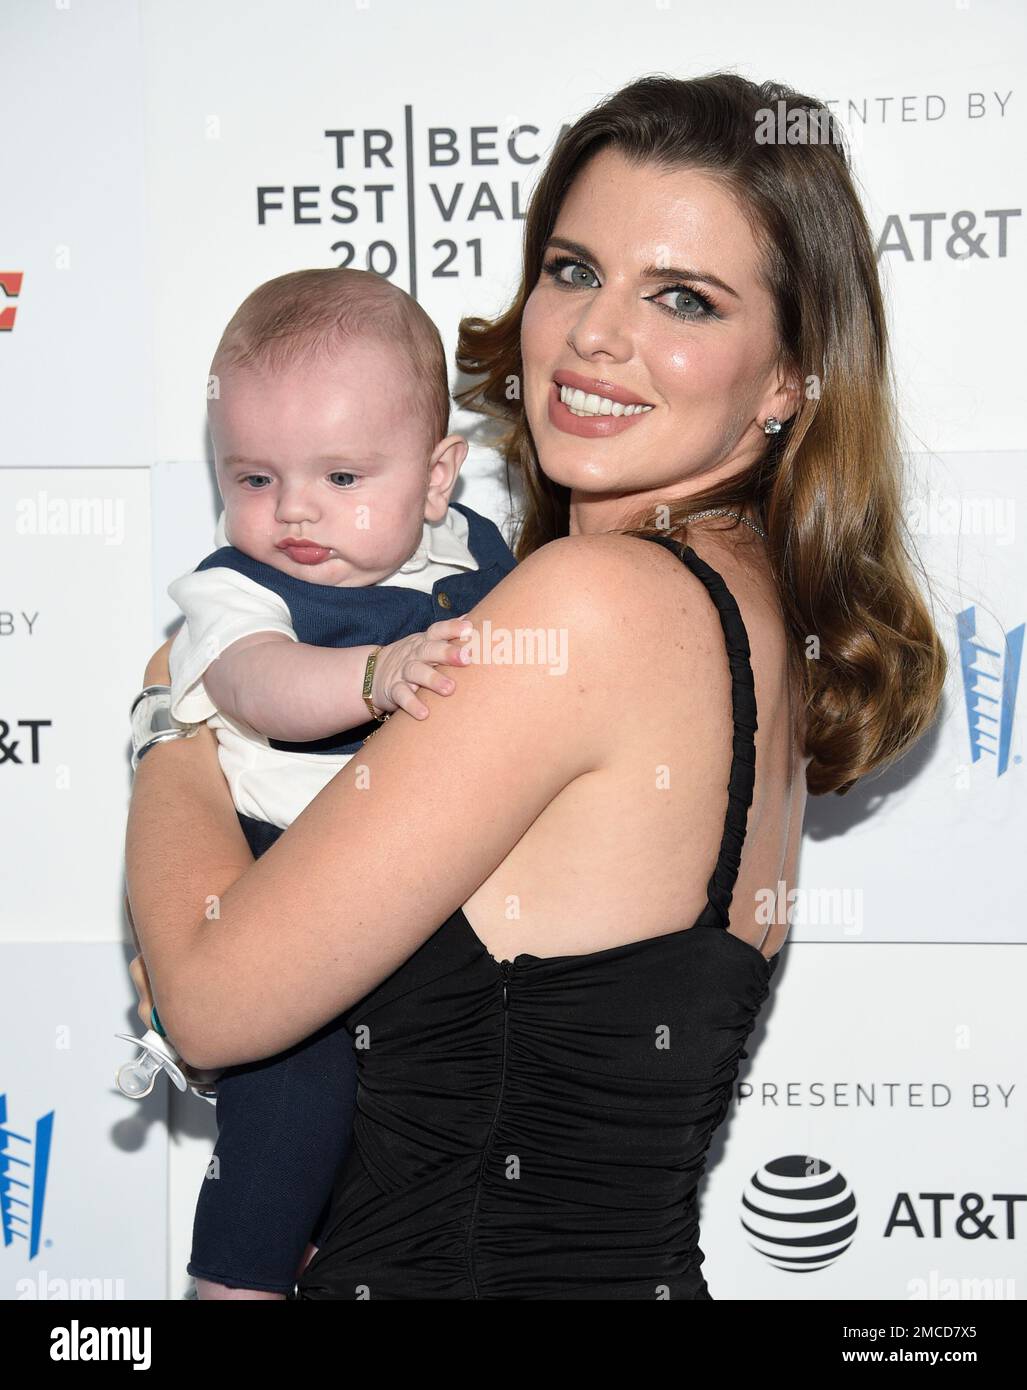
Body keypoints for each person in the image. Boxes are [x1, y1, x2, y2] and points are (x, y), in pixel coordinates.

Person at [125, 72, 948, 1299]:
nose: (594, 333)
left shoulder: (586, 605)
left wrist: (175, 719)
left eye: (682, 297)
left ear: (788, 378)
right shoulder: (747, 613)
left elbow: (207, 994)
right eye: (572, 270)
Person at [137, 268, 518, 1300]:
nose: (294, 509)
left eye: (343, 478)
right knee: (291, 1086)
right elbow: (256, 686)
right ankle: (235, 1279)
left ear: (439, 478)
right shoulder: (233, 592)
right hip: (279, 865)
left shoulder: (472, 556)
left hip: (419, 889)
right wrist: (368, 675)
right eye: (253, 479)